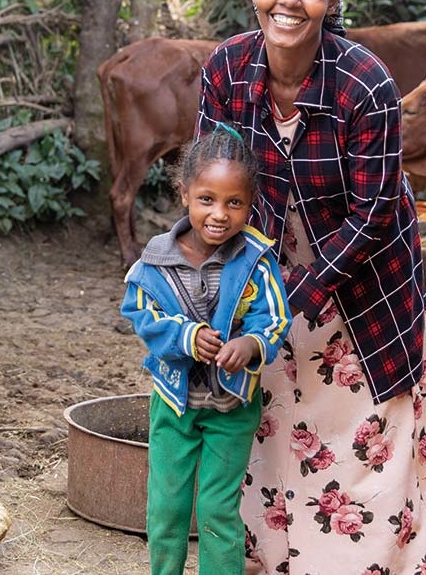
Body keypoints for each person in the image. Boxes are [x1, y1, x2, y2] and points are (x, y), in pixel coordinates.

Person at [196, 0, 426, 574]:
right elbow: (210, 186)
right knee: (273, 421)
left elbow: (372, 214)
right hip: (267, 264)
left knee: (366, 437)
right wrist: (211, 285)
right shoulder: (225, 70)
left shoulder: (361, 82)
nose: (289, 0)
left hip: (365, 278)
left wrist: (293, 294)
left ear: (331, 2)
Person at [120, 125, 292, 575]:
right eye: (207, 200)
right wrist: (185, 337)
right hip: (174, 405)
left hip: (232, 406)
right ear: (184, 194)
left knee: (218, 511)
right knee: (167, 508)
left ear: (250, 204)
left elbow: (273, 317)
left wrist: (251, 344)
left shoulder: (256, 257)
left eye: (235, 203)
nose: (219, 214)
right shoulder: (155, 260)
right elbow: (139, 311)